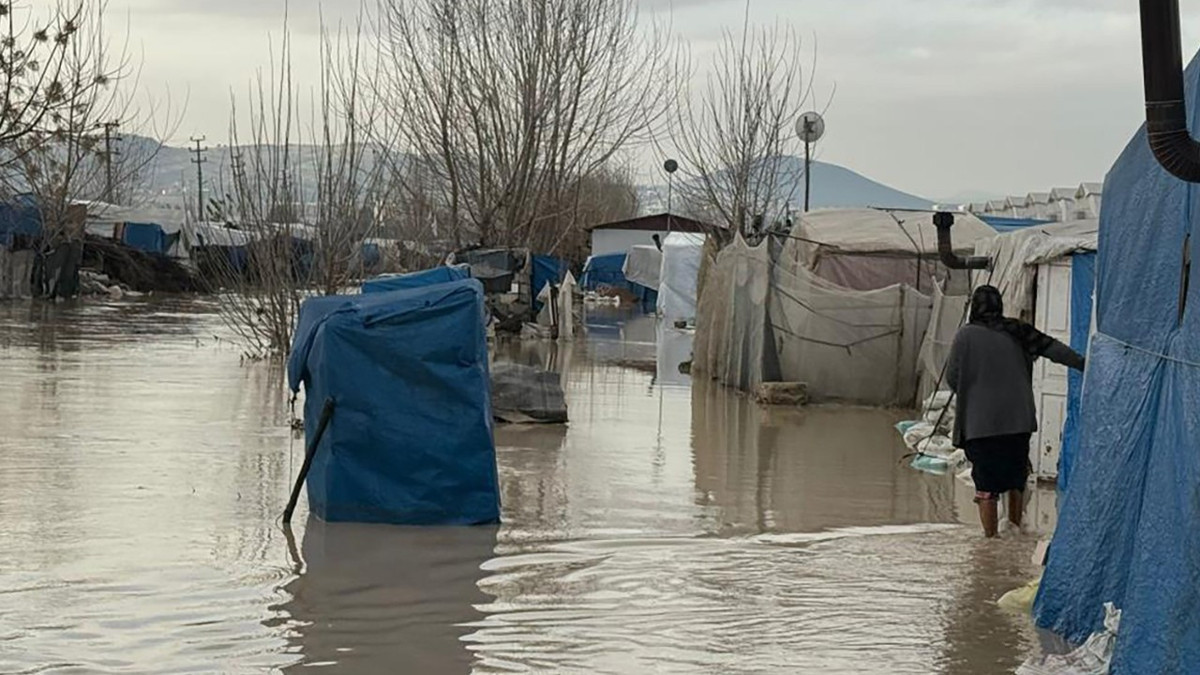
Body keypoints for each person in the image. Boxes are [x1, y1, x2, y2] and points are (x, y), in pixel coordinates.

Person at [946, 285, 1086, 538]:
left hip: (980, 425)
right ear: (999, 306)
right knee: (1015, 477)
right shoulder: (1018, 331)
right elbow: (1056, 351)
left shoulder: (964, 337)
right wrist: (1087, 364)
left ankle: (990, 543)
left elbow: (952, 379)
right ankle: (1014, 531)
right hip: (1017, 423)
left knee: (986, 485)